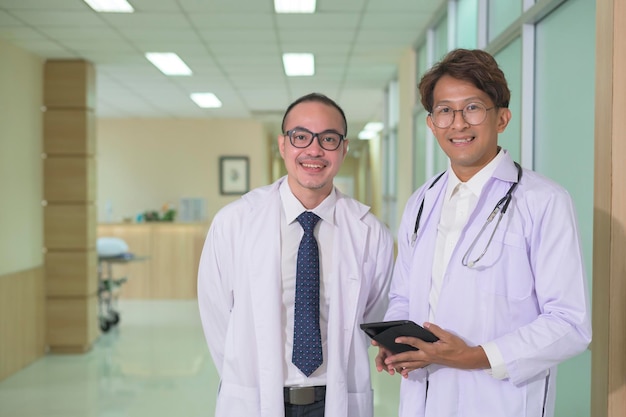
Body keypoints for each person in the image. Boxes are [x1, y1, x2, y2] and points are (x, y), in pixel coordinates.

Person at [374, 49, 592, 417]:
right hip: (425, 398)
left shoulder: (542, 200)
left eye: (472, 107)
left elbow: (569, 323)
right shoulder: (421, 202)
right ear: (431, 123)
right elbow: (403, 294)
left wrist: (473, 357)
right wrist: (398, 341)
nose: (458, 123)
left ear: (502, 118)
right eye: (445, 110)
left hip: (500, 400)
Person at [198, 92, 395, 417]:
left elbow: (372, 316)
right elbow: (216, 317)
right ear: (283, 145)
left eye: (328, 138)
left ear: (344, 149)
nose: (314, 150)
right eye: (301, 137)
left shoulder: (371, 234)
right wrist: (244, 378)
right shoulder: (235, 222)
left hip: (337, 398)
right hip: (255, 397)